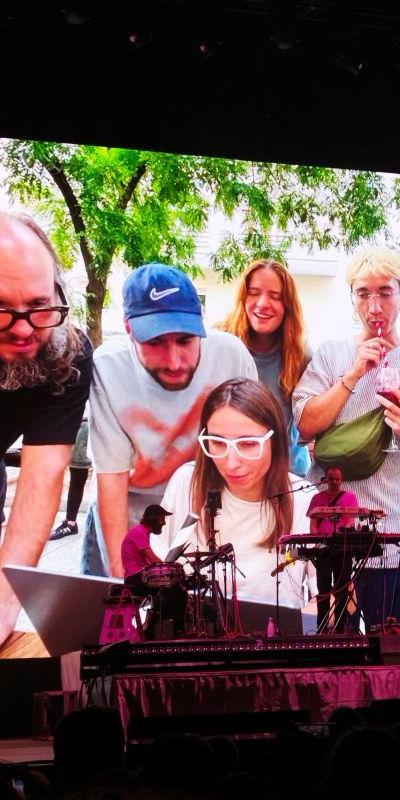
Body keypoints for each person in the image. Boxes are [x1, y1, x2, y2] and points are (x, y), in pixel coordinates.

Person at [293, 248, 400, 631]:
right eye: (363, 294)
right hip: (331, 544)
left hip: (393, 538)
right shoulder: (332, 355)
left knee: (395, 649)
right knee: (331, 652)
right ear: (353, 298)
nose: (374, 306)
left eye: (385, 293)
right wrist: (352, 375)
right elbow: (306, 425)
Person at [82, 262, 257, 578]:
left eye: (186, 341)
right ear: (129, 329)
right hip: (131, 517)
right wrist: (123, 575)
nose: (175, 361)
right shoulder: (107, 368)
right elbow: (111, 477)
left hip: (203, 516)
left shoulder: (232, 355)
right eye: (156, 343)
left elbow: (254, 450)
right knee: (112, 617)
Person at [0, 212, 92, 650]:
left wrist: (4, 605)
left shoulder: (68, 351)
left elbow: (42, 476)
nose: (22, 329)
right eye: (0, 310)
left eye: (39, 307)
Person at [156, 378, 314, 610]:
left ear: (275, 442)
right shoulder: (186, 483)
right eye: (217, 443)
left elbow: (336, 598)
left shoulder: (303, 499)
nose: (231, 463)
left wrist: (297, 630)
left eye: (248, 444)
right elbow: (155, 568)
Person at [215, 258, 312, 476]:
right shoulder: (219, 342)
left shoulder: (300, 355)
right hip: (226, 474)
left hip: (279, 477)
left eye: (275, 296)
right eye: (254, 293)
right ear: (243, 297)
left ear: (287, 305)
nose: (262, 303)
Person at [306, 466, 359, 632]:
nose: (334, 482)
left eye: (337, 479)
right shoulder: (317, 498)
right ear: (325, 479)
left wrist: (341, 535)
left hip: (342, 547)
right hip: (323, 548)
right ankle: (320, 629)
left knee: (341, 590)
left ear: (341, 480)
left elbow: (351, 520)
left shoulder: (350, 497)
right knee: (323, 591)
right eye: (331, 479)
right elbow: (313, 523)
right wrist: (318, 540)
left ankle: (339, 629)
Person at [121, 503, 186, 636]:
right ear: (154, 519)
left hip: (138, 575)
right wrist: (169, 568)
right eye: (162, 519)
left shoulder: (143, 532)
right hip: (135, 577)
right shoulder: (139, 532)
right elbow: (153, 559)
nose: (164, 523)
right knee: (178, 591)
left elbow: (150, 562)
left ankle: (150, 629)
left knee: (165, 594)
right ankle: (178, 631)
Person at [48, 415, 90, 540]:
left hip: (89, 425)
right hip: (78, 424)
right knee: (77, 476)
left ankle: (71, 522)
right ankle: (71, 522)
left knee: (81, 476)